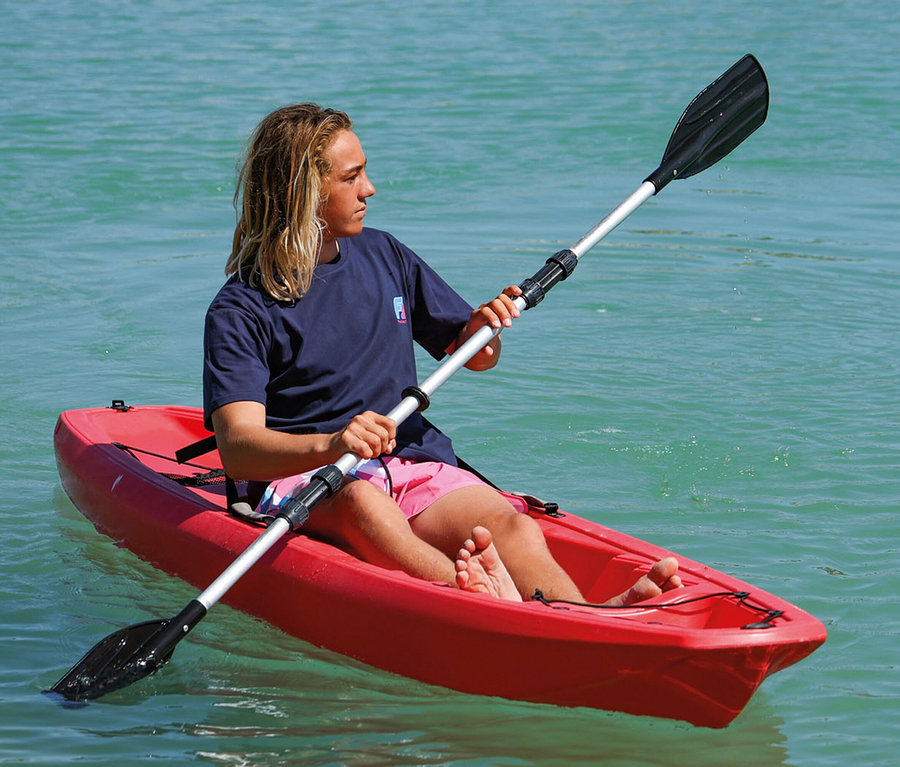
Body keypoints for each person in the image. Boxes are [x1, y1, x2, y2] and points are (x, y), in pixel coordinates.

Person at [203, 103, 682, 604]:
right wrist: (333, 445)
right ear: (302, 192)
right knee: (363, 504)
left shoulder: (384, 254)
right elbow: (238, 449)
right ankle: (481, 599)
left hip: (409, 460)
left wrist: (482, 329)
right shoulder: (241, 309)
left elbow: (474, 355)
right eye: (352, 177)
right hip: (312, 480)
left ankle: (586, 618)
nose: (369, 189)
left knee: (510, 527)